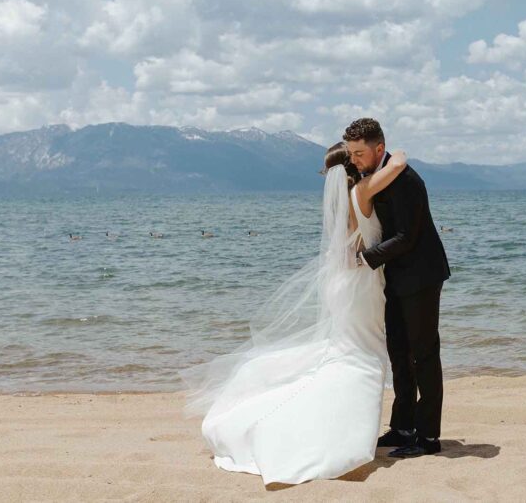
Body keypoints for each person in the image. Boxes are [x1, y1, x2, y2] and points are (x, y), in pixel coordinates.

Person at [178, 142, 408, 485]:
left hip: (343, 281)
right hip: (361, 283)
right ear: (351, 170)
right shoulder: (362, 190)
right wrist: (388, 152)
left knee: (350, 349)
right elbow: (399, 164)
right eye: (356, 159)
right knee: (364, 355)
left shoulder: (339, 198)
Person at [343, 117, 451, 458]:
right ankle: (402, 427)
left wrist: (363, 259)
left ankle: (429, 437)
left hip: (421, 275)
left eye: (359, 154)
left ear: (379, 149)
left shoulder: (405, 180)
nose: (355, 160)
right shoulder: (374, 174)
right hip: (395, 276)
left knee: (424, 354)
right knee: (398, 353)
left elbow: (406, 237)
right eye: (352, 154)